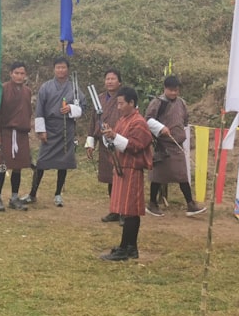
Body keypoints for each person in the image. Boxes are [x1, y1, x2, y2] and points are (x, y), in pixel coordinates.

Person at [99, 86, 153, 261]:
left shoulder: (139, 122)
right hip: (122, 168)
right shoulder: (123, 120)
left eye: (122, 103)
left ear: (131, 103)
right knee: (126, 209)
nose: (119, 107)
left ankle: (125, 248)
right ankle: (130, 247)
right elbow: (117, 143)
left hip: (132, 169)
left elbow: (136, 145)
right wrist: (109, 137)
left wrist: (114, 136)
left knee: (131, 210)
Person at [23, 56, 83, 206]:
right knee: (42, 161)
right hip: (49, 128)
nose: (61, 70)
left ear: (67, 69)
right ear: (54, 69)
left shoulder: (74, 88)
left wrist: (71, 109)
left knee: (63, 163)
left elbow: (83, 106)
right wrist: (41, 130)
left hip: (65, 129)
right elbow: (39, 110)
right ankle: (33, 193)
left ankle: (57, 194)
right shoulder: (46, 87)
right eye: (58, 67)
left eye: (63, 67)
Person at [144, 75, 205, 217]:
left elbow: (185, 121)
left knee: (182, 175)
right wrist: (161, 128)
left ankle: (191, 204)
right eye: (171, 90)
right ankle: (152, 203)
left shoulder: (181, 103)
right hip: (162, 145)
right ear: (165, 89)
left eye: (176, 90)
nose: (174, 93)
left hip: (177, 145)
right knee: (158, 176)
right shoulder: (157, 102)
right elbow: (147, 120)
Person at [0, 61, 32, 212]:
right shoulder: (2, 89)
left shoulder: (27, 91)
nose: (19, 76)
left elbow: (28, 112)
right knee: (2, 166)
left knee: (18, 167)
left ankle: (14, 197)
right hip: (6, 133)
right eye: (16, 73)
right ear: (11, 74)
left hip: (21, 134)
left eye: (22, 73)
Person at [85, 68, 124, 223]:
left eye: (113, 78)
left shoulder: (123, 98)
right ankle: (114, 209)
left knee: (120, 177)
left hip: (118, 141)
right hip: (103, 143)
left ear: (119, 82)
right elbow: (93, 121)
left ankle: (123, 212)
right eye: (107, 78)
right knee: (110, 178)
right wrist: (90, 143)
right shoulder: (99, 98)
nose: (109, 81)